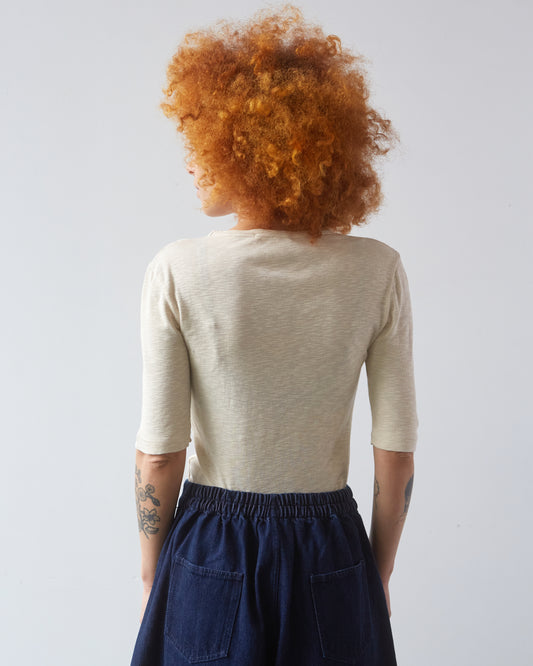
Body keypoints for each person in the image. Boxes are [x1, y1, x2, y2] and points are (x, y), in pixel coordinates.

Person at [130, 4, 418, 665]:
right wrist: (375, 575)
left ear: (242, 147)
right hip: (331, 546)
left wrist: (152, 575)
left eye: (200, 142)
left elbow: (159, 455)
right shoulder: (377, 270)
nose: (191, 163)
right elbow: (396, 454)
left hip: (211, 546)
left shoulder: (178, 268)